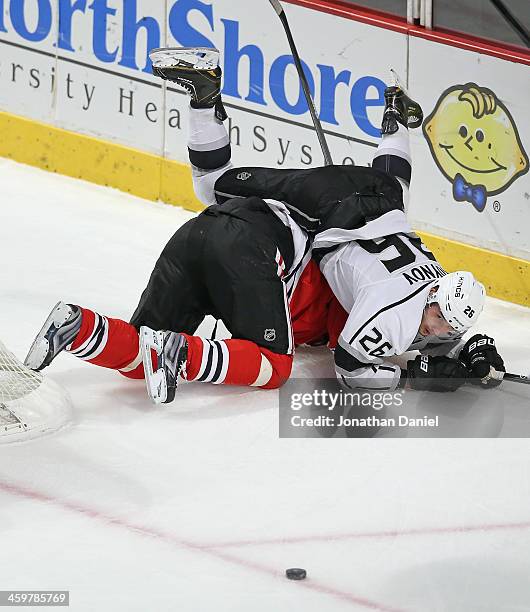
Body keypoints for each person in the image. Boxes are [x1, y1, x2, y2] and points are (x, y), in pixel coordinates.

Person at [146, 47, 506, 394]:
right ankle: (205, 95)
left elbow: (446, 326)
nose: (436, 329)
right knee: (211, 187)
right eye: (440, 318)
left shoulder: (441, 286)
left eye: (447, 325)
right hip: (330, 206)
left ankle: (396, 115)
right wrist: (412, 375)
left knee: (396, 191)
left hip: (379, 197)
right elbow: (351, 367)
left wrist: (478, 349)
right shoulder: (391, 310)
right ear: (434, 295)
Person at [24, 50, 348, 403]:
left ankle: (79, 327)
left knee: (139, 359)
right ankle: (182, 353)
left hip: (197, 233)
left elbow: (214, 181)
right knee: (275, 367)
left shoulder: (286, 204)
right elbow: (355, 348)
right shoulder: (352, 274)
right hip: (249, 251)